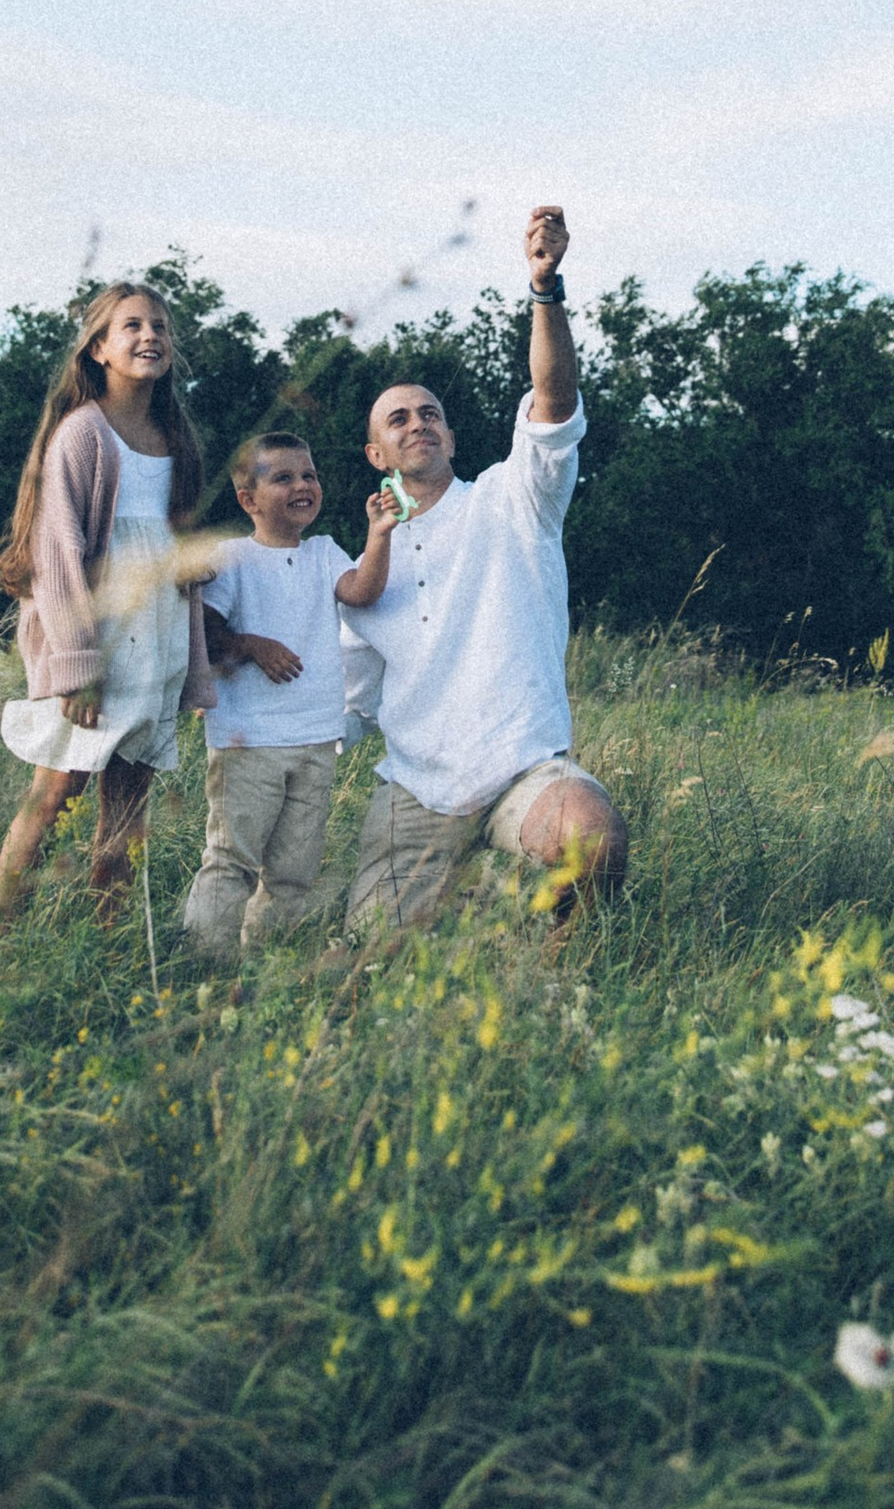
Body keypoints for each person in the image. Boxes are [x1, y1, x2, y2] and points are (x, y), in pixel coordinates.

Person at [338, 203, 626, 938]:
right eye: (398, 419)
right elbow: (341, 698)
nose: (418, 424)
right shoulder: (362, 571)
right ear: (377, 456)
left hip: (521, 771)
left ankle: (559, 985)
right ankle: (475, 911)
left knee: (591, 837)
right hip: (419, 790)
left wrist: (544, 290)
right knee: (376, 960)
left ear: (452, 434)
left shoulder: (512, 498)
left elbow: (556, 403)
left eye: (429, 413)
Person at [0, 283, 214, 921]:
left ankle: (107, 939)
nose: (150, 337)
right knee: (56, 791)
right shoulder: (82, 434)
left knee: (129, 807)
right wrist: (77, 665)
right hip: (96, 645)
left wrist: (193, 671)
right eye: (132, 327)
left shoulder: (176, 438)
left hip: (157, 642)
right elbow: (56, 557)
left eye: (160, 327)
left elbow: (183, 568)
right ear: (98, 351)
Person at [182, 427, 360, 965]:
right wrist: (251, 643)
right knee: (232, 858)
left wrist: (383, 533)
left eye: (309, 475)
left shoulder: (325, 553)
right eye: (283, 477)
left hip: (314, 737)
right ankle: (203, 961)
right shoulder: (233, 558)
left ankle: (266, 962)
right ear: (248, 500)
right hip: (249, 739)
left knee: (294, 870)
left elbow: (364, 590)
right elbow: (206, 637)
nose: (302, 484)